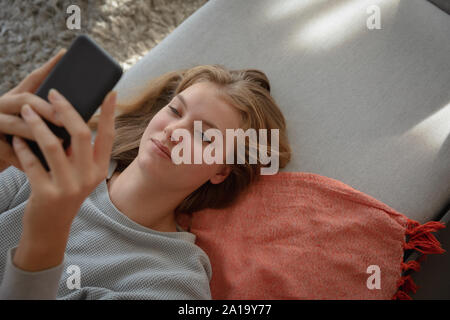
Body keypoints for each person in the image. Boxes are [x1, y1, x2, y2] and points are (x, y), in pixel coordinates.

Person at [0, 49, 291, 299]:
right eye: (176, 111)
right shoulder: (60, 159)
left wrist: (46, 234)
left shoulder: (172, 282)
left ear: (222, 171)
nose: (174, 131)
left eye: (203, 134)